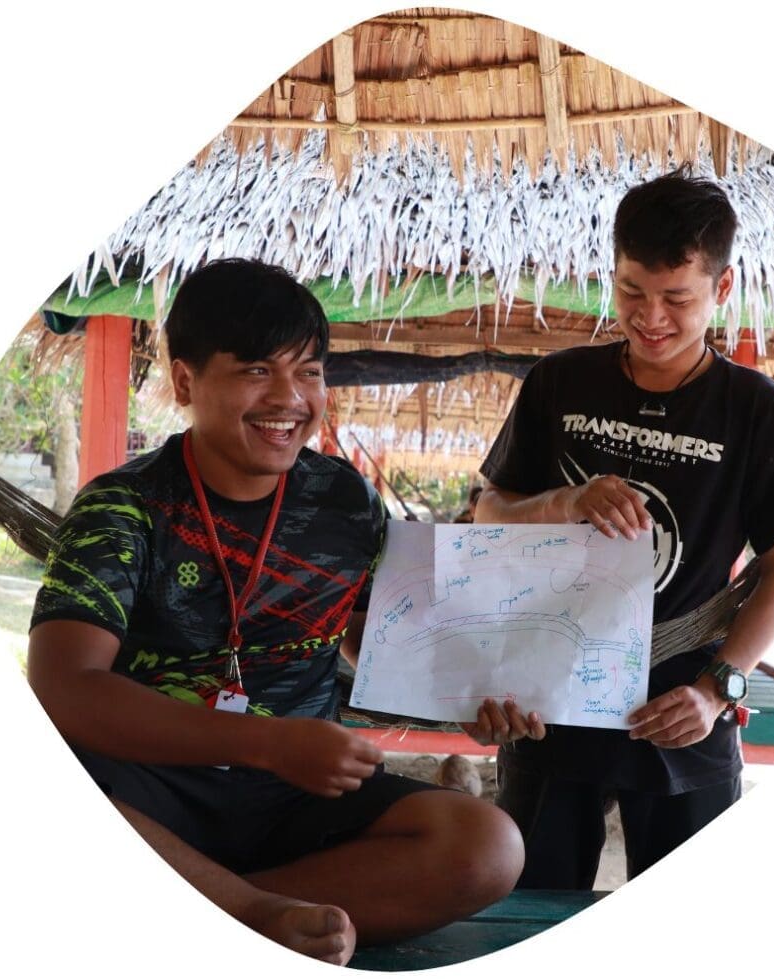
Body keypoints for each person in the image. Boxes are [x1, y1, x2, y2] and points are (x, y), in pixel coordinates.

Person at [27, 258, 525, 965]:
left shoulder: (343, 499)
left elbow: (379, 642)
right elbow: (63, 688)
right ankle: (257, 914)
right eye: (257, 370)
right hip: (150, 784)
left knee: (489, 846)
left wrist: (474, 694)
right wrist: (265, 743)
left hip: (296, 798)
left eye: (311, 371)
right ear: (184, 381)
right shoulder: (123, 507)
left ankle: (198, 903)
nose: (290, 397)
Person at [473, 169, 774, 888]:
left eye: (677, 298)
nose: (650, 316)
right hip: (550, 702)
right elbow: (488, 515)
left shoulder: (757, 408)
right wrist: (563, 504)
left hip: (682, 709)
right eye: (631, 291)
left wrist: (720, 689)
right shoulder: (559, 384)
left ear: (720, 290)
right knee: (525, 911)